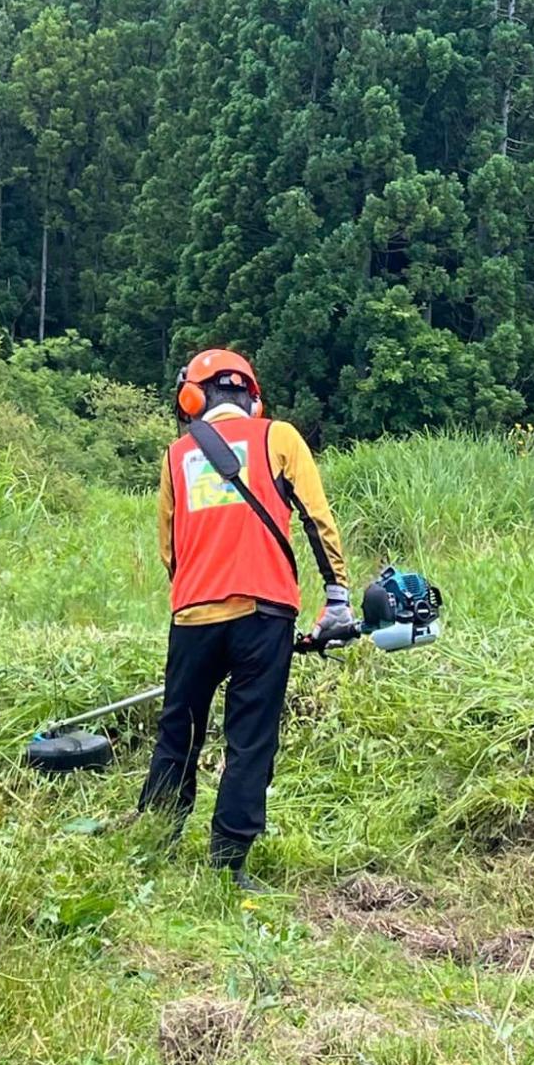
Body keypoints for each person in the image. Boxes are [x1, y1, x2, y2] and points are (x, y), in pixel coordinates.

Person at [137, 348, 353, 890]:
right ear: (252, 398)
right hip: (264, 612)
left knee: (178, 732)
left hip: (192, 617)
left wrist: (196, 591)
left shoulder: (175, 456)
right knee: (250, 739)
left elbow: (169, 549)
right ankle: (228, 864)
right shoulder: (278, 437)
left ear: (192, 398)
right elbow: (317, 520)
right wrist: (338, 599)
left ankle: (156, 845)